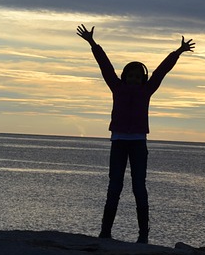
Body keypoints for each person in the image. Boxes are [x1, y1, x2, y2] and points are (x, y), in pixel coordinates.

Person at [77, 24, 195, 243]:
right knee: (114, 187)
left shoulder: (147, 90)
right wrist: (93, 43)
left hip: (139, 143)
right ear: (124, 77)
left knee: (139, 187)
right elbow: (105, 66)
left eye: (137, 76)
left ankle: (143, 236)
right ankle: (105, 232)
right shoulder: (116, 87)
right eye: (130, 76)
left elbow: (162, 71)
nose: (133, 79)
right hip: (119, 142)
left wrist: (177, 52)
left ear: (142, 78)